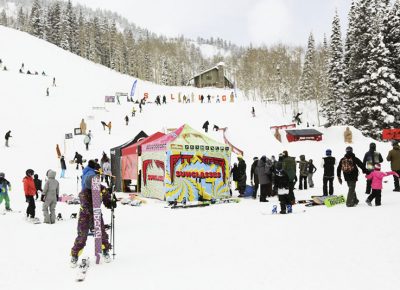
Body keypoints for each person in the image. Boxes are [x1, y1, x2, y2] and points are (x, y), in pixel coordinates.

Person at [70, 161, 116, 267]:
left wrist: (111, 203)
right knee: (82, 236)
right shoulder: (83, 193)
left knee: (102, 234)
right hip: (85, 215)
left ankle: (105, 251)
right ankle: (75, 255)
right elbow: (87, 206)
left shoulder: (101, 188)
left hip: (97, 213)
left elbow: (106, 199)